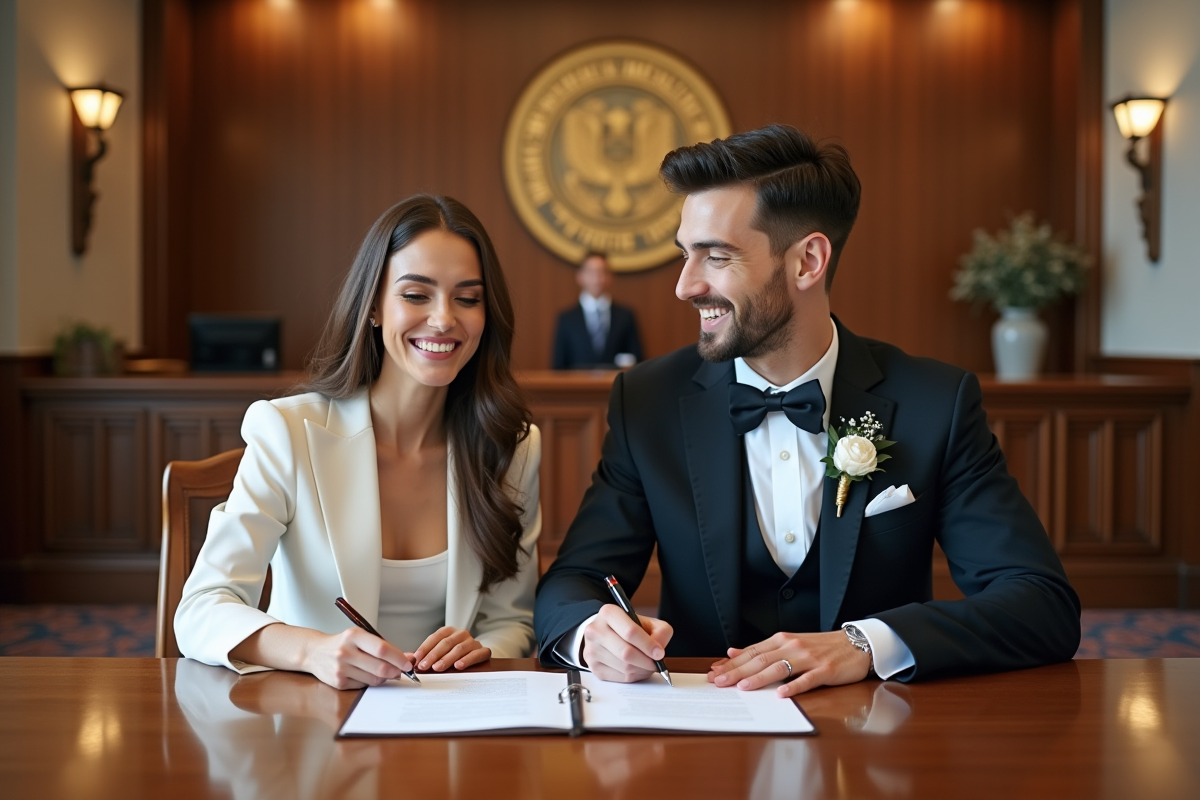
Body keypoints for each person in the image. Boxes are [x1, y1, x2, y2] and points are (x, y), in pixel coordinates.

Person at [534, 125, 1080, 697]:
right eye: (685, 255)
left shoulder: (935, 402)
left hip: (881, 742)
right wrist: (592, 633)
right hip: (703, 737)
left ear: (807, 262)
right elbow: (571, 583)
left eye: (715, 256)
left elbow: (1041, 603)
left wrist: (867, 643)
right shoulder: (647, 402)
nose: (685, 286)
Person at [176, 194, 541, 689]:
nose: (443, 319)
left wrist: (483, 651)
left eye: (467, 298)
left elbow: (511, 621)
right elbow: (201, 608)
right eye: (416, 295)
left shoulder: (512, 448)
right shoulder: (288, 432)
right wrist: (313, 650)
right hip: (312, 725)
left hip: (452, 726)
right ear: (373, 306)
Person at [551, 251, 644, 369]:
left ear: (610, 276)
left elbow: (638, 360)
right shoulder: (566, 318)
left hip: (616, 384)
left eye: (601, 272)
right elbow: (558, 366)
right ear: (580, 276)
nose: (596, 278)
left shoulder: (625, 316)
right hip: (577, 386)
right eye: (591, 272)